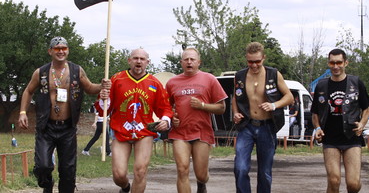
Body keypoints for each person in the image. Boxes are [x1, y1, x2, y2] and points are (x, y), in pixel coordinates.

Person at [18, 36, 111, 193]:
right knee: (43, 166)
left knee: (68, 171)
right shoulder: (41, 72)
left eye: (64, 48)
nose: (61, 51)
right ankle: (47, 183)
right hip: (46, 127)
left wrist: (102, 86)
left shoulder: (76, 70)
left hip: (67, 128)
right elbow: (28, 91)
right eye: (57, 48)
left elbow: (89, 88)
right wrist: (22, 112)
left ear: (68, 50)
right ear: (50, 51)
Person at [97, 48, 173, 193]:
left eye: (142, 59)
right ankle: (125, 188)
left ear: (147, 62)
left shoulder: (154, 83)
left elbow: (166, 108)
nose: (139, 61)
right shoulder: (117, 79)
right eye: (136, 58)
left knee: (140, 171)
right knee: (118, 175)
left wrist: (165, 120)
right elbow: (104, 109)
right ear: (129, 60)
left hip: (144, 132)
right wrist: (103, 97)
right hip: (121, 130)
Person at [232, 42, 293, 193]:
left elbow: (289, 97)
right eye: (250, 61)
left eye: (257, 61)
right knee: (240, 168)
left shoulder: (273, 74)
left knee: (265, 172)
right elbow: (235, 97)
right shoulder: (240, 76)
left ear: (263, 58)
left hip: (267, 126)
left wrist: (274, 105)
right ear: (246, 59)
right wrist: (235, 113)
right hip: (247, 126)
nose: (254, 65)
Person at [166, 47, 228, 193]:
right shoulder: (172, 83)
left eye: (192, 59)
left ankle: (201, 183)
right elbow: (165, 108)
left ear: (198, 62)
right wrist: (171, 117)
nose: (189, 62)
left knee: (201, 174)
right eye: (186, 59)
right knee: (182, 170)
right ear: (181, 62)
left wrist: (202, 105)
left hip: (202, 132)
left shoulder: (209, 79)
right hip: (180, 132)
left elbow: (222, 108)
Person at [311, 48, 369, 193]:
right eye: (332, 63)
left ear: (346, 63)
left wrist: (362, 124)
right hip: (330, 138)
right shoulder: (322, 85)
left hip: (351, 138)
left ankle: (355, 183)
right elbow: (315, 113)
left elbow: (366, 109)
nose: (335, 66)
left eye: (339, 62)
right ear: (328, 63)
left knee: (353, 184)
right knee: (334, 180)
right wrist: (317, 128)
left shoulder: (356, 83)